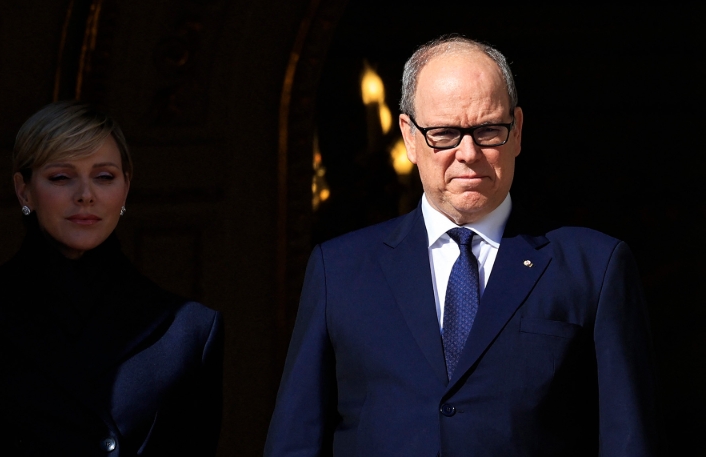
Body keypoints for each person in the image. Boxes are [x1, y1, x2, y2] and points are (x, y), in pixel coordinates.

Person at [265, 36, 659, 456]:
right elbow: (296, 440)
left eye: (489, 130)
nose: (468, 153)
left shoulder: (593, 267)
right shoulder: (339, 270)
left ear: (518, 131)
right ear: (410, 137)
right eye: (445, 133)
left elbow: (628, 439)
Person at [0, 101, 223, 456]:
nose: (85, 195)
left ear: (126, 188)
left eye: (104, 177)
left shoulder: (190, 332)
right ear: (24, 190)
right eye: (61, 177)